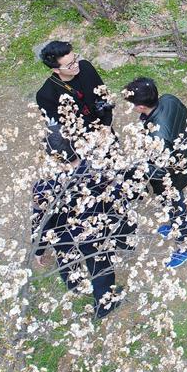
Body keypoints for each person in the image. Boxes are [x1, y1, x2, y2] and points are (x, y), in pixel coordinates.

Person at [32, 124, 121, 319]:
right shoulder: (96, 167)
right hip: (94, 229)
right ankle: (105, 304)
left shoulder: (45, 183)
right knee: (101, 265)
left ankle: (75, 285)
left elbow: (40, 220)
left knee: (66, 257)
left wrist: (39, 249)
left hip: (63, 233)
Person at [123, 77, 187, 268]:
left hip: (173, 176)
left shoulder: (157, 136)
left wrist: (135, 168)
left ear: (140, 107)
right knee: (173, 205)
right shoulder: (168, 99)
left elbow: (157, 172)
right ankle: (175, 225)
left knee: (175, 204)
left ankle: (186, 244)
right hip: (186, 155)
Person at [36, 41, 113, 128]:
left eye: (75, 59)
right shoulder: (45, 95)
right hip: (80, 136)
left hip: (104, 124)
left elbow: (103, 93)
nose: (76, 65)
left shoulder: (85, 66)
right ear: (56, 70)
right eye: (70, 65)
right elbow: (59, 127)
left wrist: (107, 124)